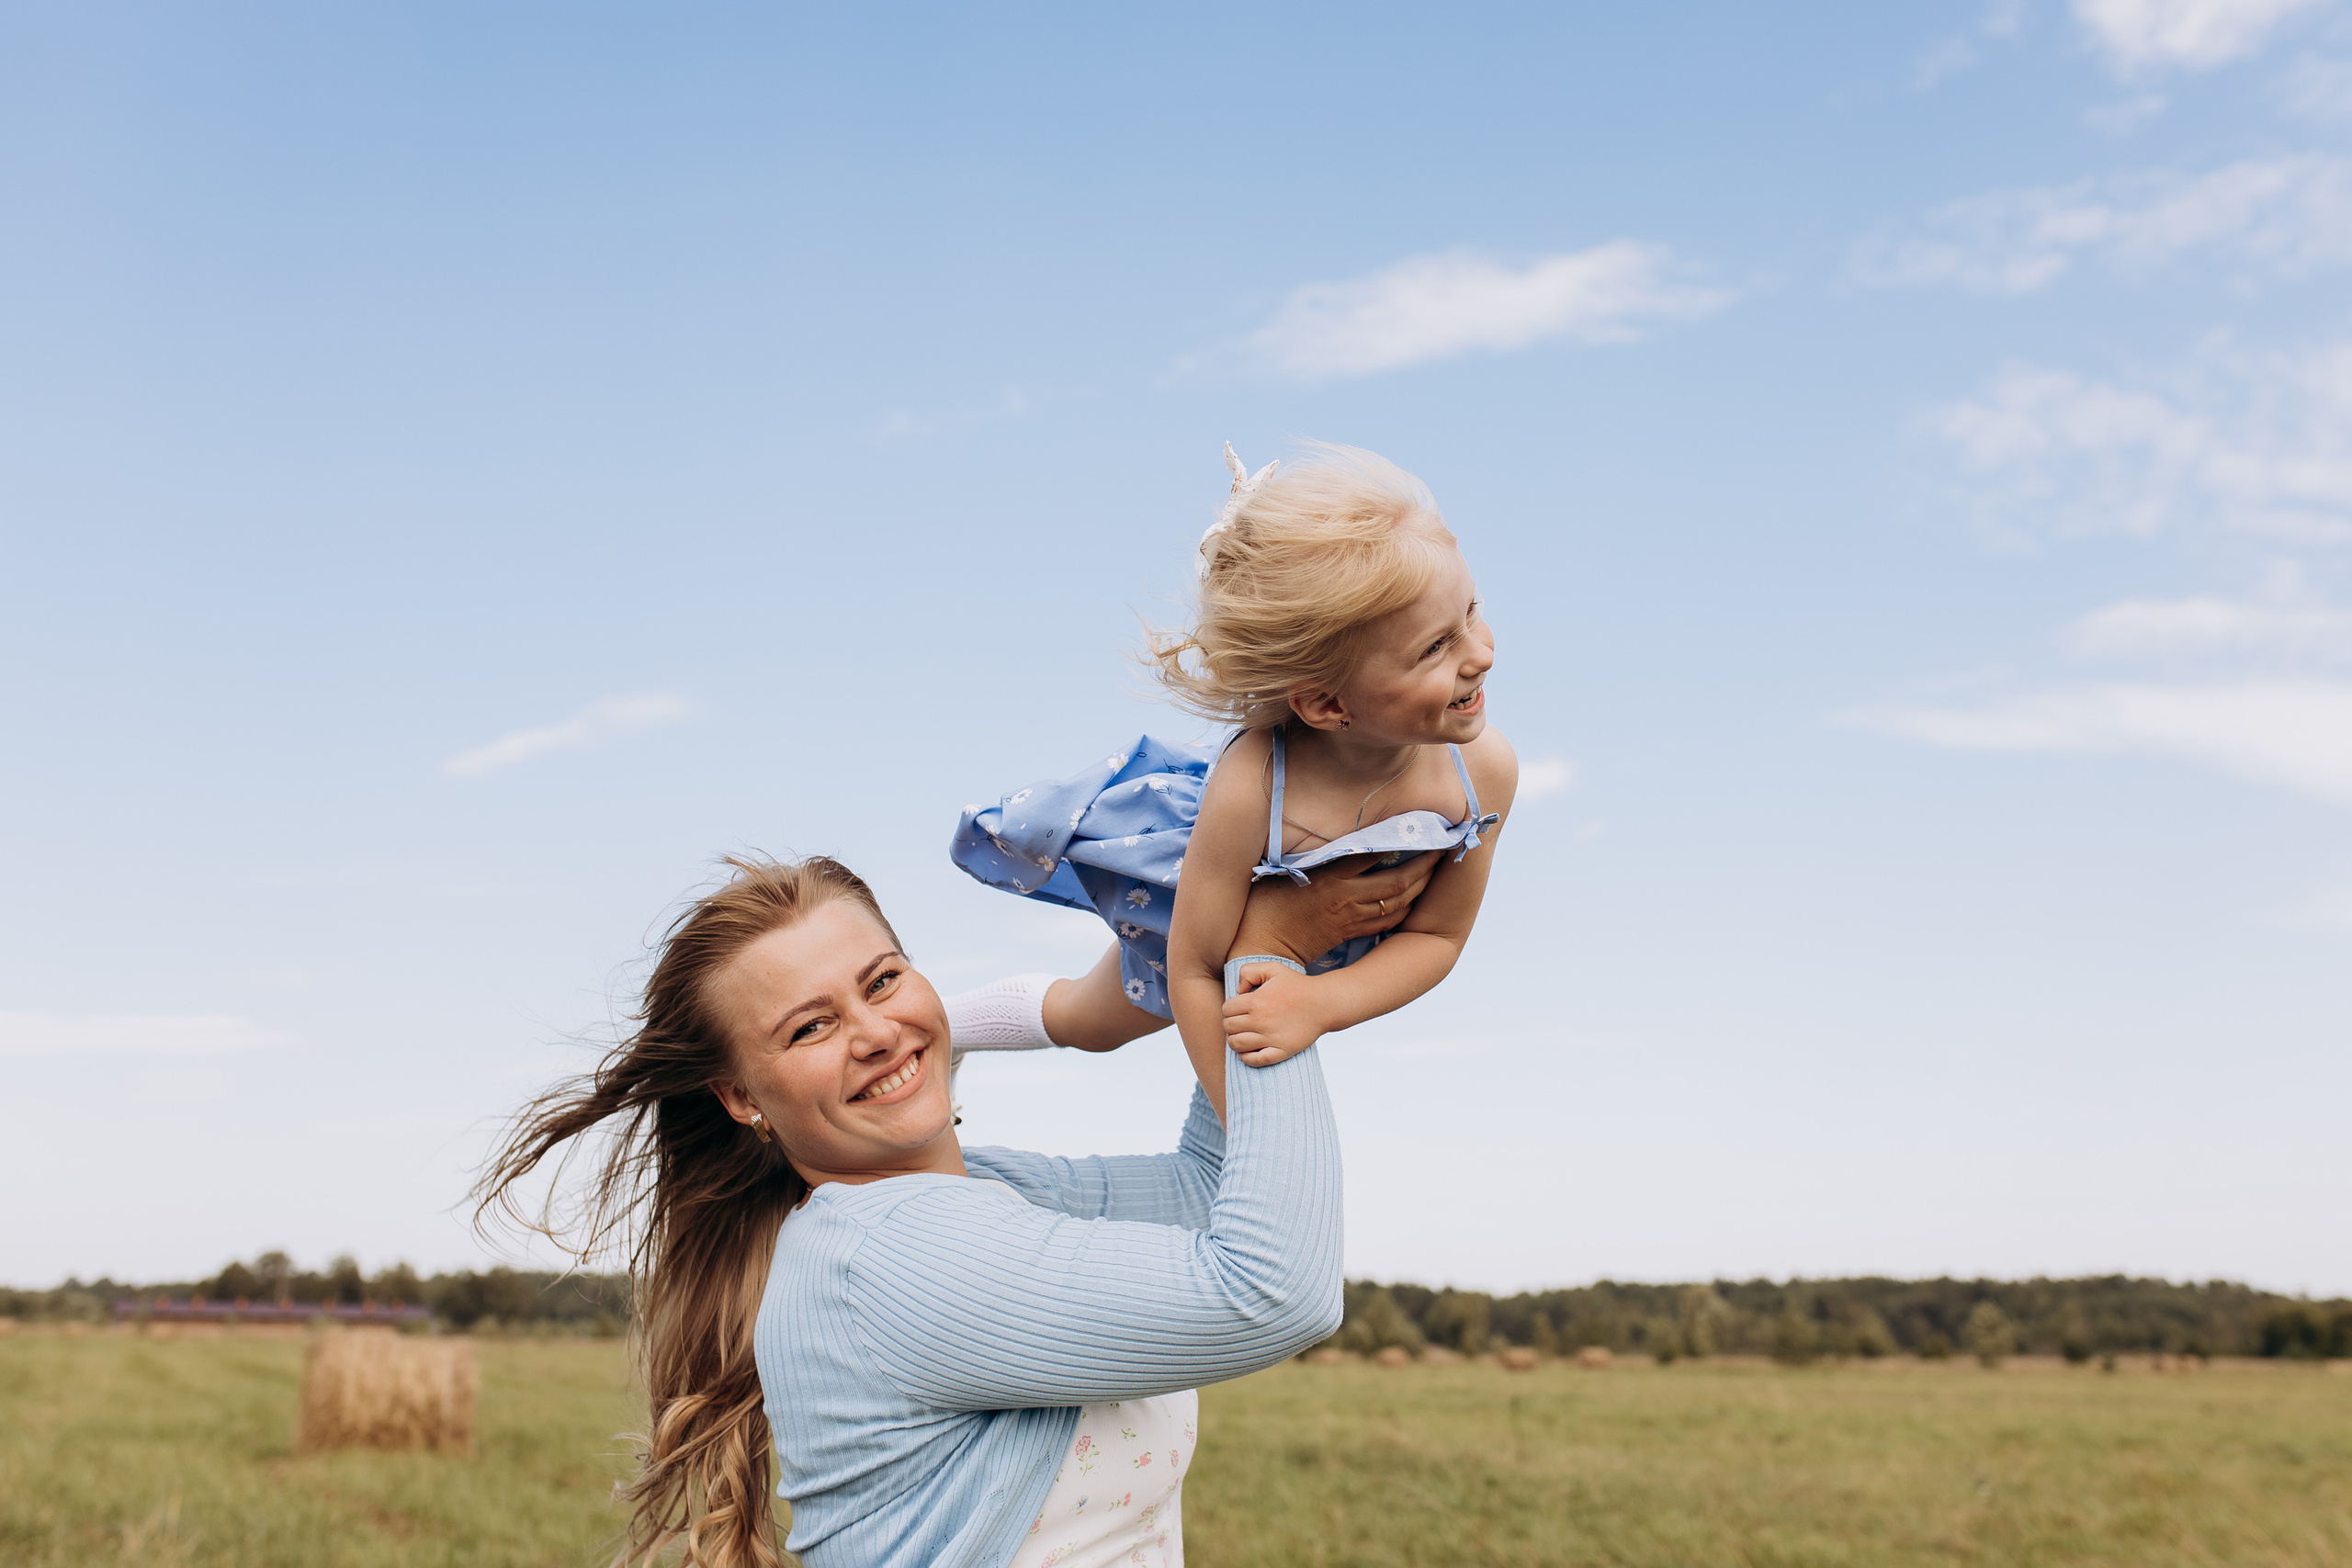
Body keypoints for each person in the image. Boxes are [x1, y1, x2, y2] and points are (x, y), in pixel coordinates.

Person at [476, 850, 1427, 1568]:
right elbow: (1275, 1289)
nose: (874, 1030)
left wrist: (1219, 965)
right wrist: (1274, 957)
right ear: (741, 1098)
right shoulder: (884, 1259)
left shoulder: (981, 1195)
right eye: (809, 1027)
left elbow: (1206, 1193)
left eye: (885, 979)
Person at [949, 443, 1519, 1113]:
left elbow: (1437, 936)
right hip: (1186, 902)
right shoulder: (1252, 781)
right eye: (1436, 647)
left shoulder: (1481, 774)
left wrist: (1320, 1002)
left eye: (1471, 611)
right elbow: (1194, 966)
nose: (1482, 652)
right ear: (1329, 704)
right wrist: (1239, 1120)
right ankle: (946, 1026)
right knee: (1090, 1021)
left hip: (1319, 950)